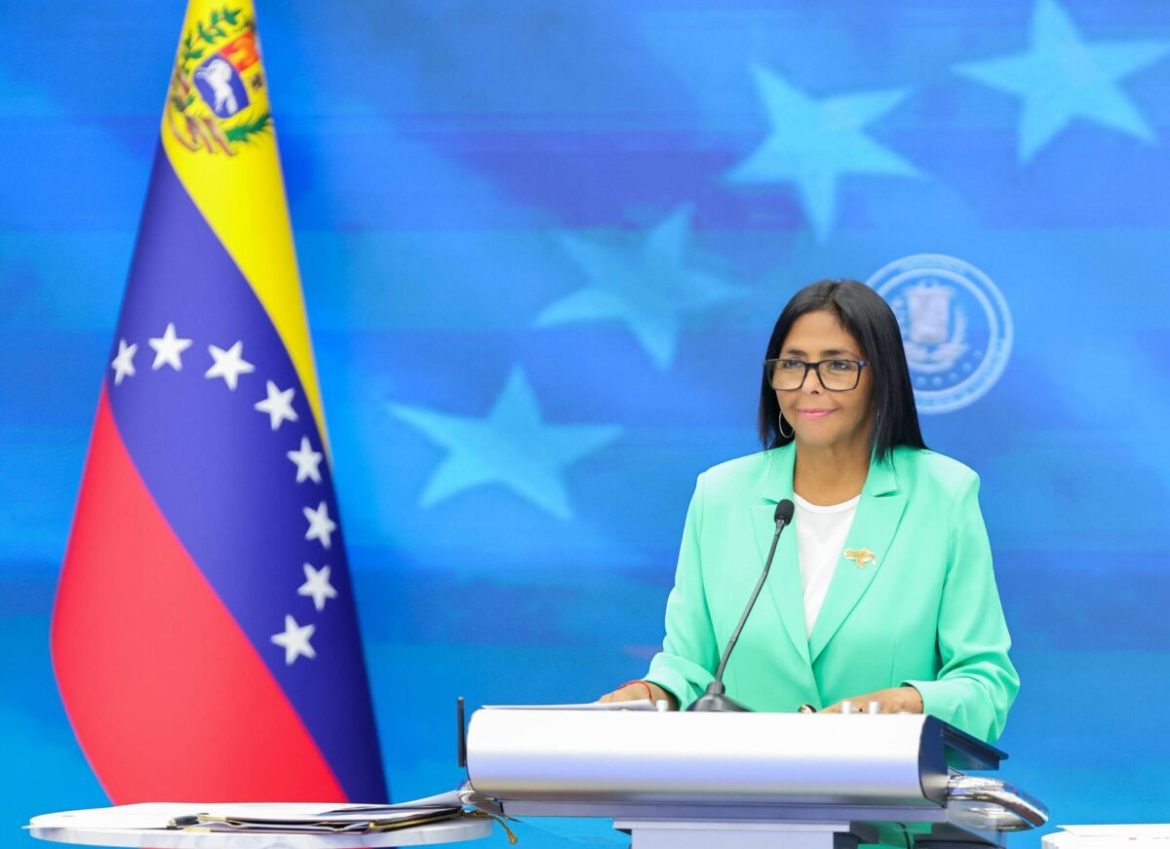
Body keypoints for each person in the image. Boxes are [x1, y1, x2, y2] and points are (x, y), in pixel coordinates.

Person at [599, 279, 1018, 743]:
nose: (810, 385)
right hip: (744, 783)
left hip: (886, 784)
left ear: (882, 377)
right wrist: (649, 693)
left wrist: (903, 704)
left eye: (837, 365)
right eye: (793, 364)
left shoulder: (944, 494)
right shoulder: (720, 495)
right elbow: (688, 668)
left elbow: (986, 686)